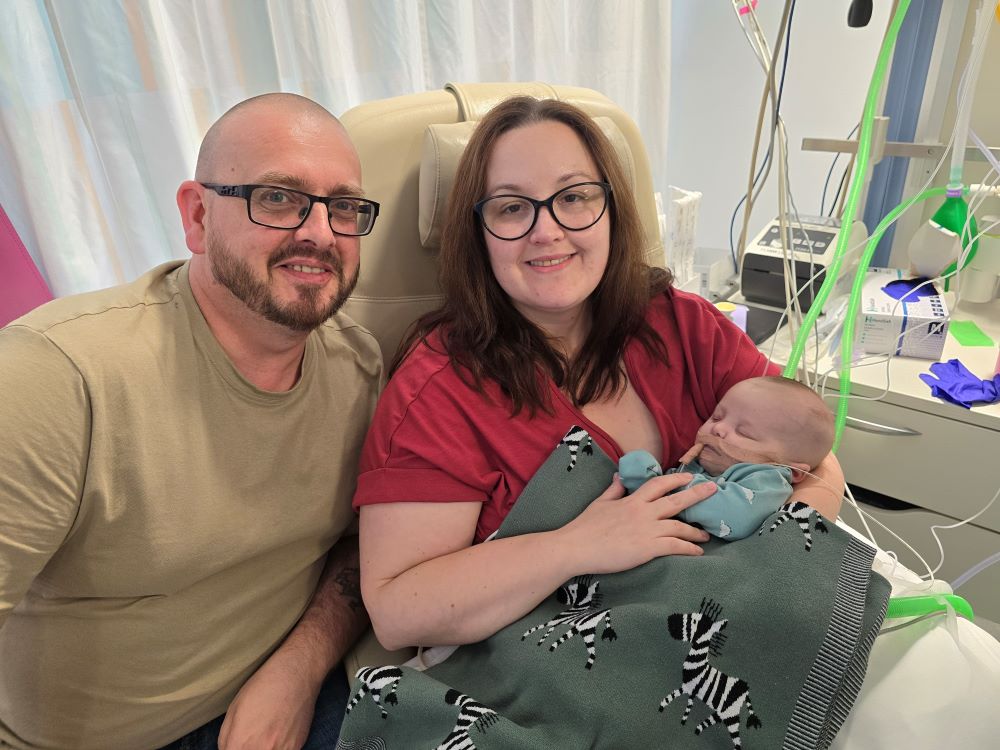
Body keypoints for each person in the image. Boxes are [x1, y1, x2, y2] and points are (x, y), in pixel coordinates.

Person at [353, 95, 844, 653]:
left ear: (611, 208)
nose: (547, 231)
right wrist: (577, 545)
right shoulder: (439, 393)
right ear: (478, 232)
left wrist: (764, 570)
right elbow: (398, 612)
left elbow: (814, 457)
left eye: (575, 196)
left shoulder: (682, 324)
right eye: (512, 208)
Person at [0, 93, 382, 750]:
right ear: (198, 216)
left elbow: (362, 544)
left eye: (343, 206)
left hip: (293, 698)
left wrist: (298, 668)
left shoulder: (358, 367)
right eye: (279, 197)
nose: (320, 232)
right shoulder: (57, 376)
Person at [619, 375, 836, 540]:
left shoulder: (769, 479)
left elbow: (735, 517)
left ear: (794, 471)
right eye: (716, 416)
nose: (718, 428)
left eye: (745, 433)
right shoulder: (695, 466)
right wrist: (645, 480)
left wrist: (667, 487)